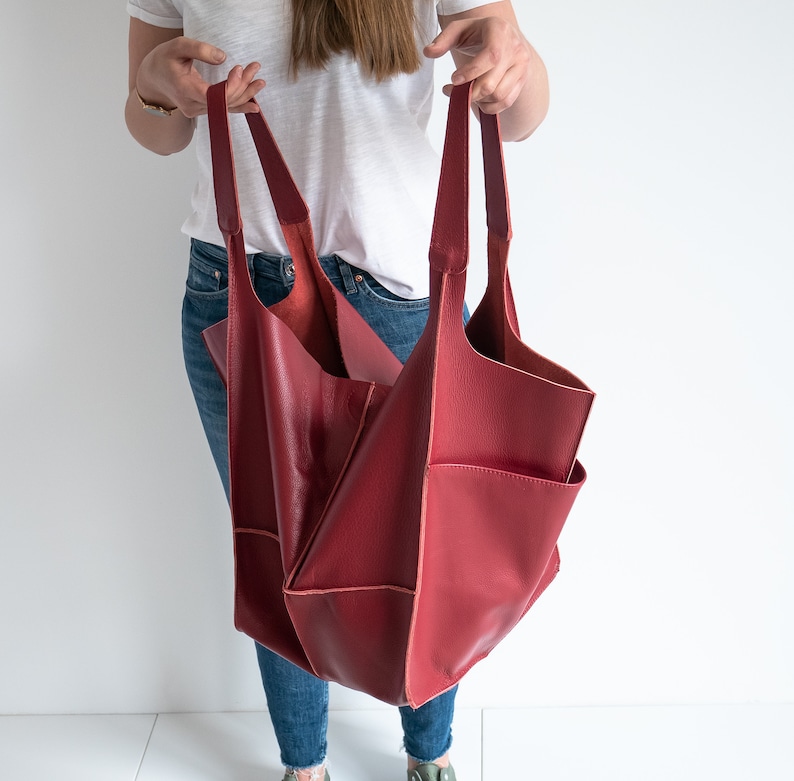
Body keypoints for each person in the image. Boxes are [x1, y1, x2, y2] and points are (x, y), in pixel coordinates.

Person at [125, 2, 549, 779]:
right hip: (238, 283)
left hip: (397, 286)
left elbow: (520, 115)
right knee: (279, 548)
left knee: (424, 541)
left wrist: (512, 64)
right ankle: (305, 766)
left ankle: (432, 755)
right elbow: (154, 125)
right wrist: (157, 91)